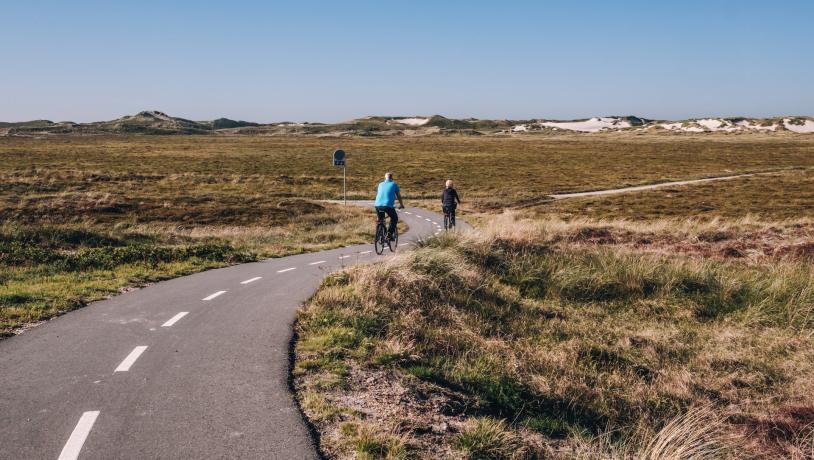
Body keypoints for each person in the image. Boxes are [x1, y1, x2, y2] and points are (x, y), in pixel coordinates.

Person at [374, 172, 405, 240]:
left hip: (377, 205)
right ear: (392, 178)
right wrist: (401, 204)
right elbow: (398, 196)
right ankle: (389, 234)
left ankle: (379, 234)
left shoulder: (380, 184)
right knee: (394, 218)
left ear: (385, 178)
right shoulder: (394, 184)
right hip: (387, 206)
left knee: (381, 220)